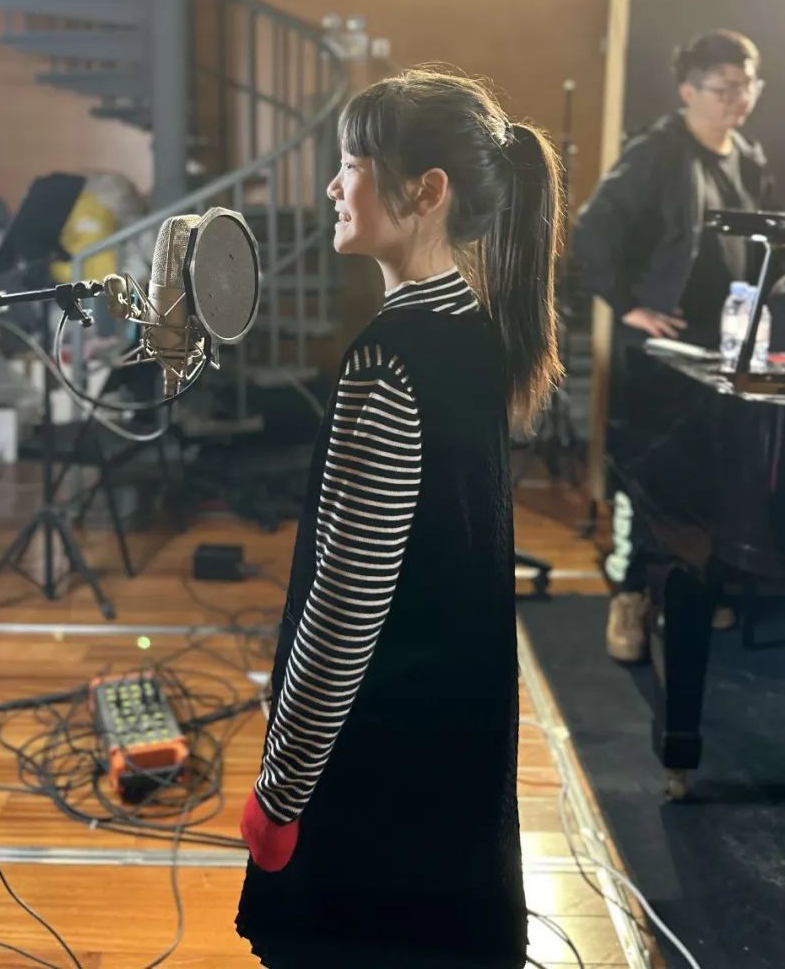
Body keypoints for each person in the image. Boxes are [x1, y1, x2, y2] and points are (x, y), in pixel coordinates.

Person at [235, 67, 564, 969]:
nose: (333, 186)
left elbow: (346, 614)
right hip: (455, 758)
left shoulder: (388, 364)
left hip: (381, 775)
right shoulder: (477, 333)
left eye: (352, 164)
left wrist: (280, 790)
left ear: (426, 191)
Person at [573, 29, 774, 663]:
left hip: (721, 349)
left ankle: (691, 593)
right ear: (688, 90)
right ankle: (630, 599)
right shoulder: (656, 153)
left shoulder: (749, 157)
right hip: (660, 351)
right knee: (646, 481)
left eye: (747, 86)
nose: (738, 99)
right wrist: (628, 303)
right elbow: (591, 231)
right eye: (724, 88)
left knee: (713, 478)